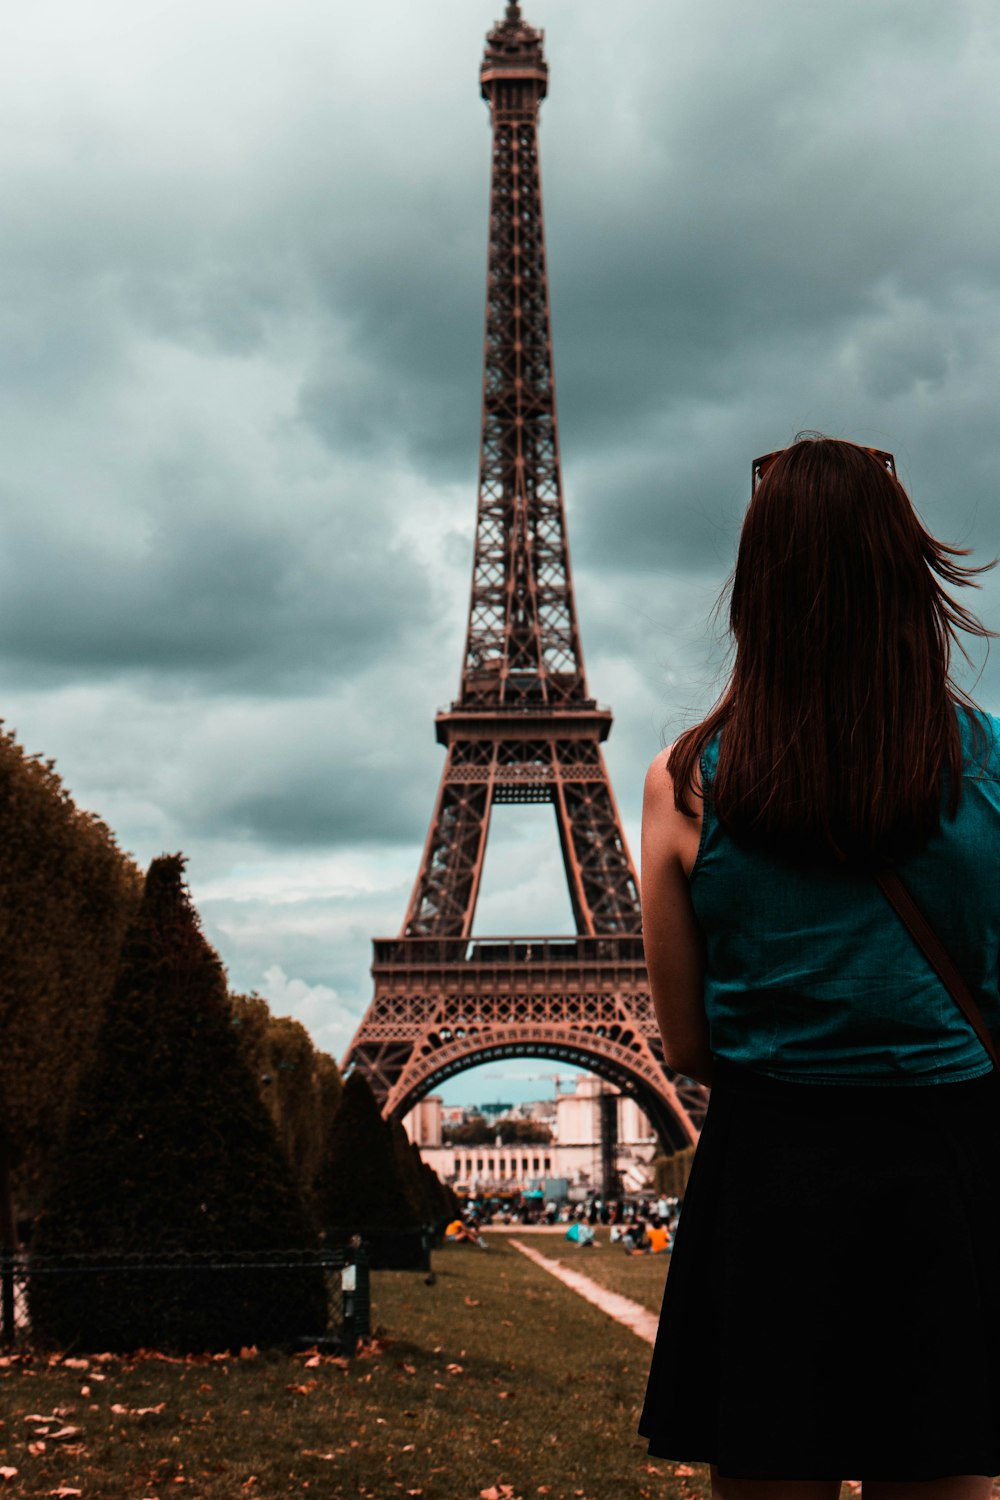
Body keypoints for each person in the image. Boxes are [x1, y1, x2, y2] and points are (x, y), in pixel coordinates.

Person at [637, 437, 1000, 1500]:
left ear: (756, 589)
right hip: (952, 1171)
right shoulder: (992, 768)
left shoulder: (686, 780)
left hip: (772, 1177)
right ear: (906, 580)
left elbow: (687, 1043)